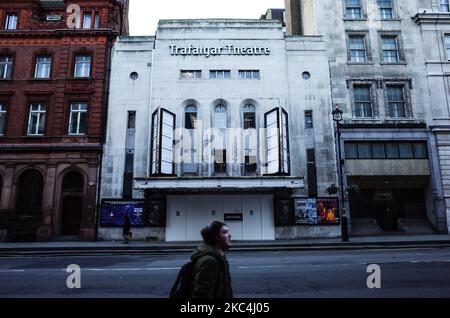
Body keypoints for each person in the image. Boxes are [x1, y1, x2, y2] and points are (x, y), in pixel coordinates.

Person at [190, 221, 233, 298]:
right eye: (225, 232)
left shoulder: (218, 256)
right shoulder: (209, 261)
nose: (229, 235)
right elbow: (202, 294)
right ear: (215, 237)